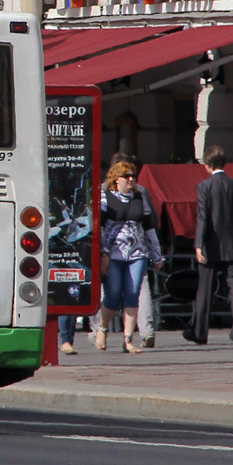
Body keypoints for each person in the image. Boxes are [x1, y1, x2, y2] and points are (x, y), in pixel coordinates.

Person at [185, 145, 233, 347]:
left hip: (210, 244)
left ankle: (200, 332)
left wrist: (198, 244)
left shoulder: (204, 187)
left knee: (204, 288)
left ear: (207, 165)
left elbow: (203, 218)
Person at [94, 161, 163, 354]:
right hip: (114, 253)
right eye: (127, 176)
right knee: (113, 295)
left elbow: (149, 228)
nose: (131, 179)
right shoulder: (105, 197)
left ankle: (128, 339)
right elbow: (99, 228)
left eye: (133, 176)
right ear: (117, 180)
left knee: (133, 294)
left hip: (137, 253)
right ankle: (103, 328)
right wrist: (103, 252)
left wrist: (157, 255)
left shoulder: (140, 197)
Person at [111, 151, 158, 348]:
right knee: (140, 289)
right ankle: (146, 331)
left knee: (108, 290)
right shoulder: (142, 191)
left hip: (118, 251)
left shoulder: (102, 192)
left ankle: (99, 330)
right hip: (135, 248)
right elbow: (152, 221)